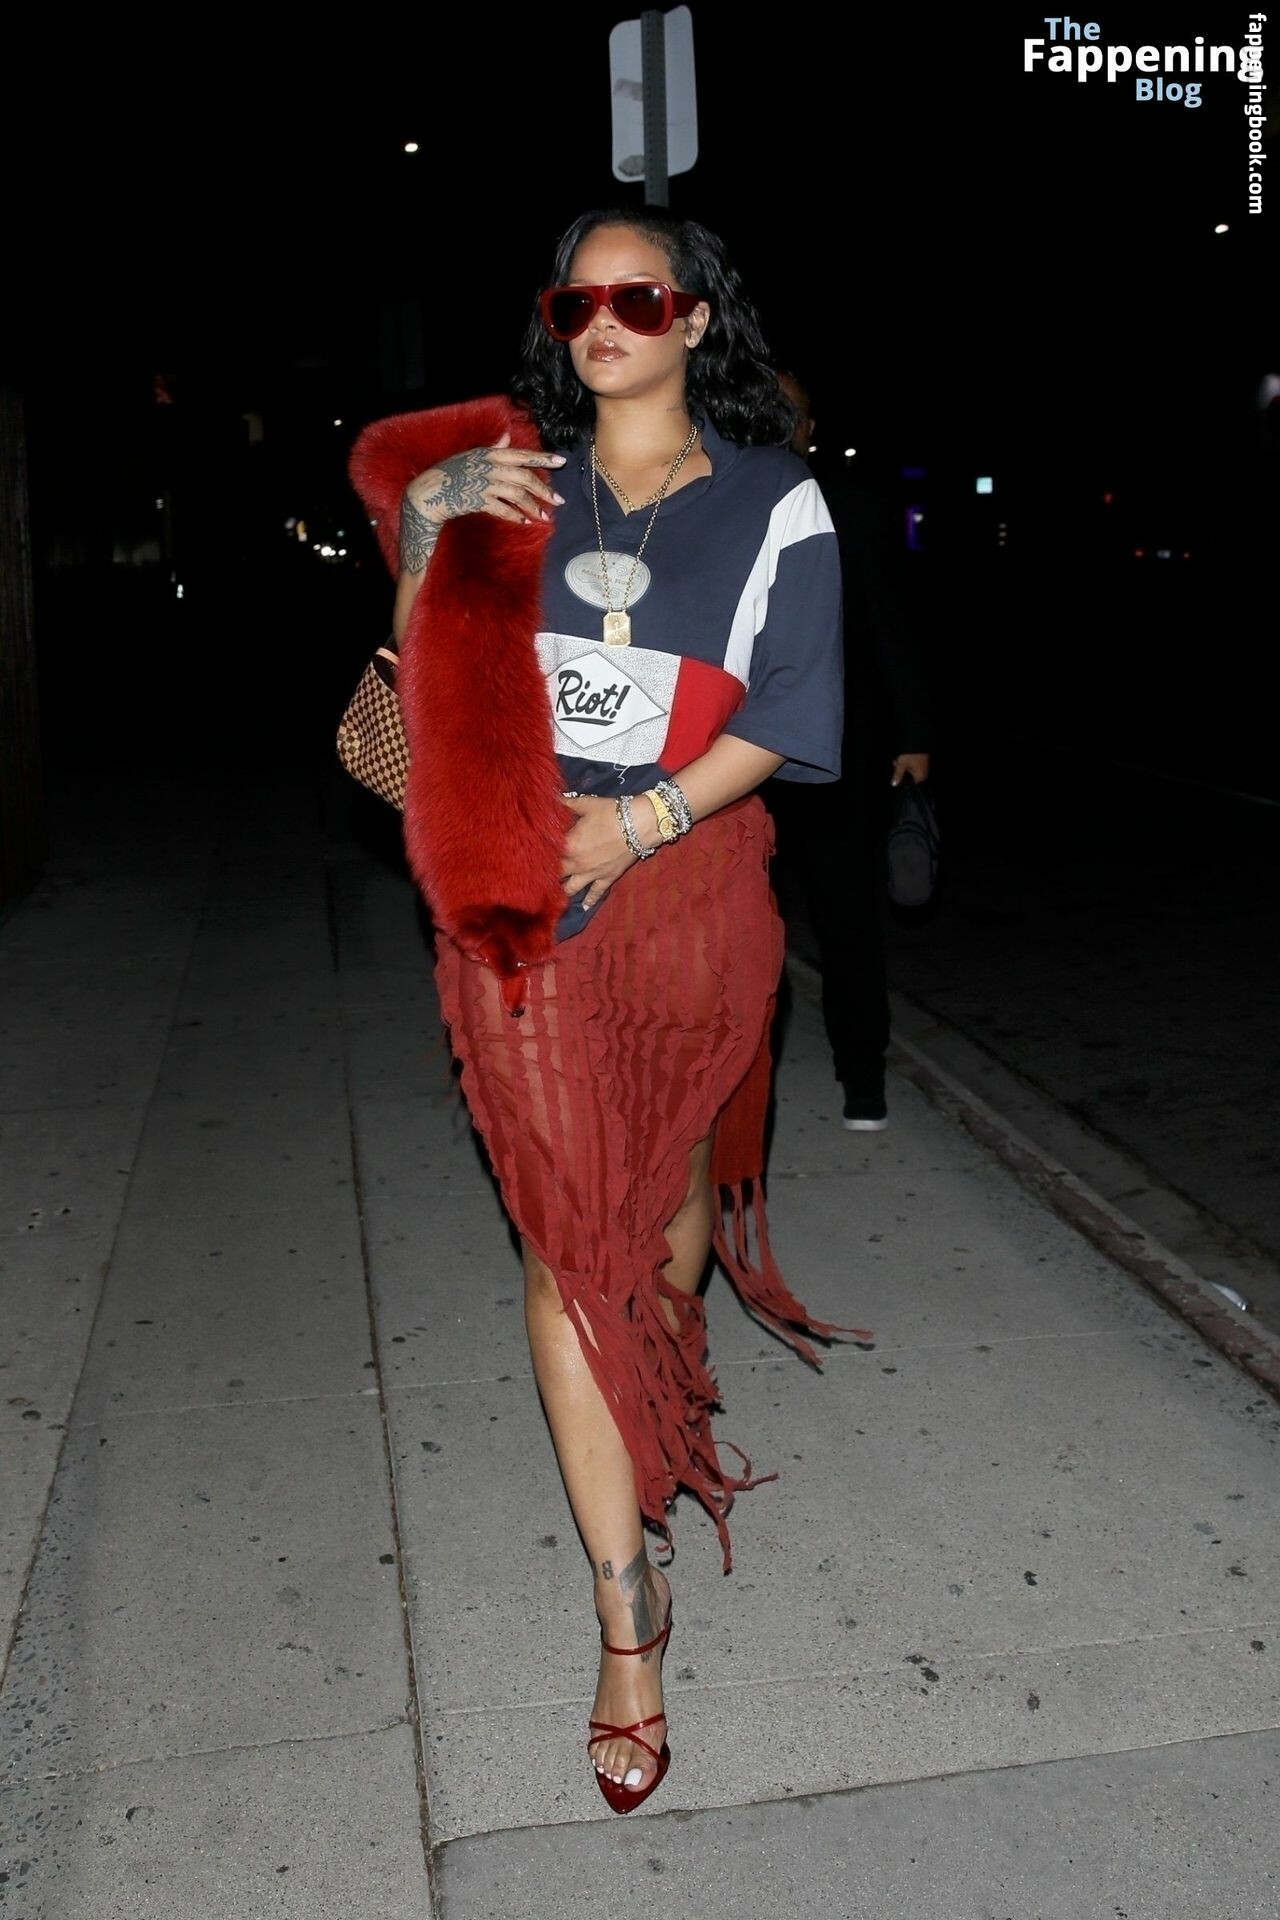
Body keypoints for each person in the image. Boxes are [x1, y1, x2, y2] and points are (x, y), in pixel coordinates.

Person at [347, 209, 866, 1815]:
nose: (605, 322)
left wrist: (636, 823)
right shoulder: (512, 480)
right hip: (525, 910)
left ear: (697, 318)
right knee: (571, 1244)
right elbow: (428, 676)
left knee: (661, 1219)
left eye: (640, 296)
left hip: (691, 896)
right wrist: (427, 520)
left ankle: (654, 1357)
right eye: (577, 300)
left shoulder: (773, 499)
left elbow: (791, 713)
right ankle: (626, 1610)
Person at [767, 370, 933, 1129]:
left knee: (848, 917)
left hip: (838, 756)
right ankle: (740, 1079)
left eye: (793, 413)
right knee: (743, 924)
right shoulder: (717, 499)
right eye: (766, 409)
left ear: (811, 428)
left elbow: (892, 621)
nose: (780, 422)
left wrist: (913, 734)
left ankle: (863, 1076)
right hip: (736, 759)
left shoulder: (853, 503)